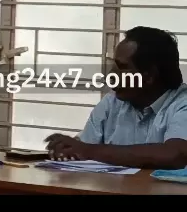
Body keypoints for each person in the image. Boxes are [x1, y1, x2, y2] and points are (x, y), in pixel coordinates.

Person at [45, 26, 187, 169]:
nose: (111, 75)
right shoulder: (112, 102)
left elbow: (175, 155)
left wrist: (88, 150)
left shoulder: (182, 103)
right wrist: (68, 149)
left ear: (149, 76)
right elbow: (83, 151)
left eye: (122, 67)